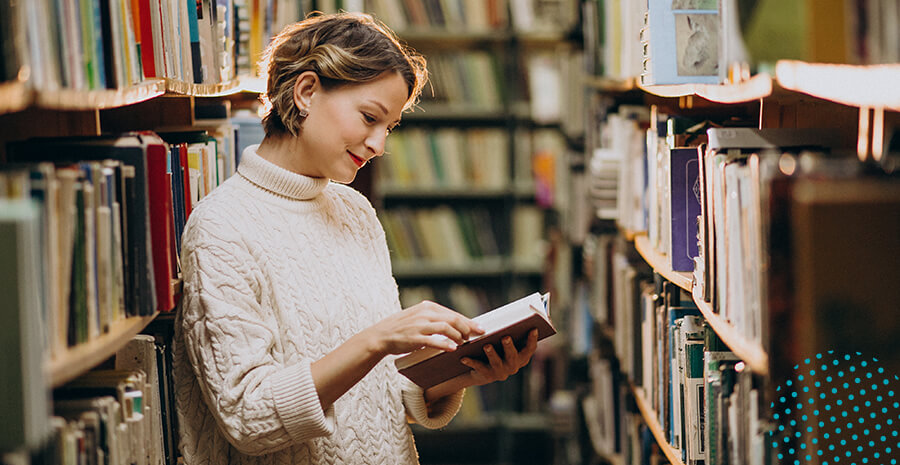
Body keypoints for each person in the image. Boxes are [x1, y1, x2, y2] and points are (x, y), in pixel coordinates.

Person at [173, 12, 540, 465]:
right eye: (370, 117)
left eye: (389, 127)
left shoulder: (355, 212)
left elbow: (383, 391)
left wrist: (461, 372)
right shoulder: (222, 229)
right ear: (306, 92)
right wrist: (378, 338)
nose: (378, 145)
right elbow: (248, 417)